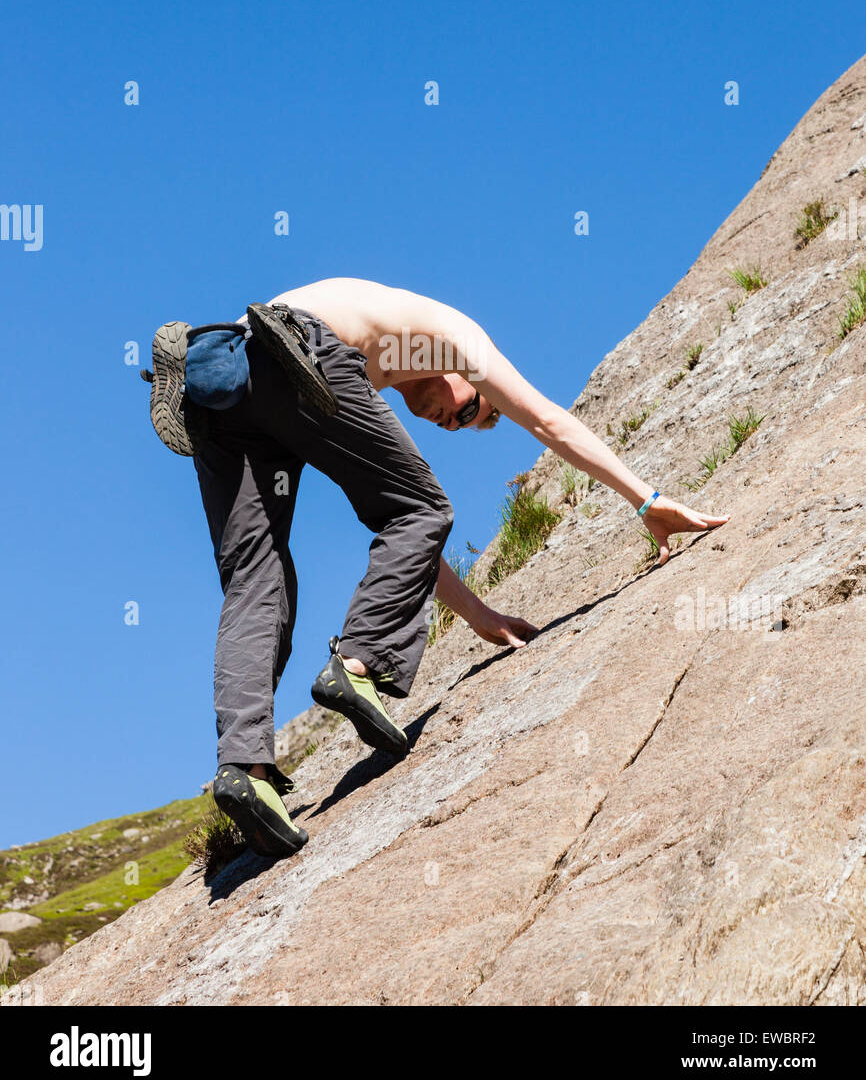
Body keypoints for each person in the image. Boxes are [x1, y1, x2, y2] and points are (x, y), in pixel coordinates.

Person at [144, 278, 729, 859]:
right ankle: (357, 664)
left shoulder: (376, 361)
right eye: (469, 408)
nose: (450, 421)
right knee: (423, 505)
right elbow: (547, 422)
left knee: (256, 576)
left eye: (457, 426)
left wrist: (479, 616)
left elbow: (400, 533)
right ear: (467, 380)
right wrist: (647, 501)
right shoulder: (453, 338)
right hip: (290, 349)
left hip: (219, 379)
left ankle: (246, 771)